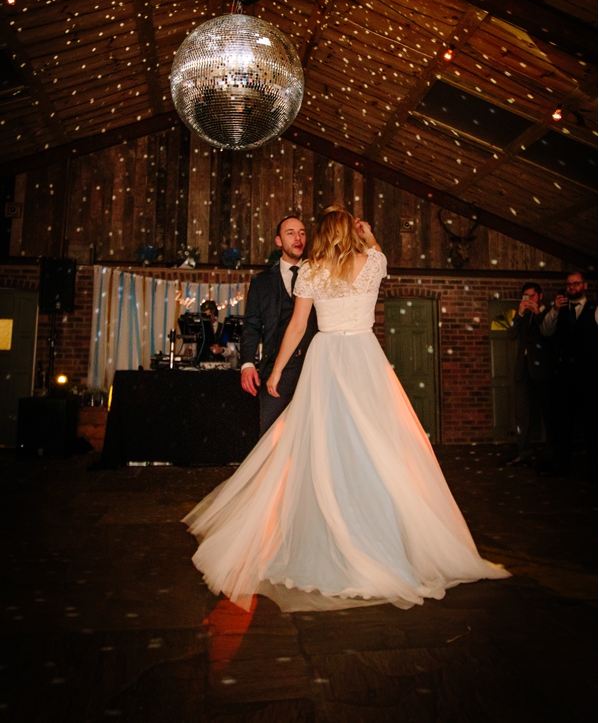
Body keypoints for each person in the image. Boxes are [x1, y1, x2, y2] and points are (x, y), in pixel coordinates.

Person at [186, 206, 508, 610]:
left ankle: (326, 529)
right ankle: (379, 534)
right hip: (364, 357)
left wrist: (278, 370)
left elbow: (298, 327)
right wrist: (369, 234)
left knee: (324, 445)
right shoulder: (373, 261)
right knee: (376, 445)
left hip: (327, 360)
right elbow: (376, 251)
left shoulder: (313, 271)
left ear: (321, 234)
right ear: (353, 231)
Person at [239, 215, 318, 435]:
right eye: (290, 233)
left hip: (314, 366)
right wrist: (247, 363)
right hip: (277, 370)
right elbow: (252, 325)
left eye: (302, 232)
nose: (298, 238)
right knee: (273, 438)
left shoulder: (319, 275)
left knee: (312, 437)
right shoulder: (261, 282)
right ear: (278, 241)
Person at [540, 269, 595, 477]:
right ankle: (560, 465)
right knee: (562, 421)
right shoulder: (559, 309)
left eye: (576, 284)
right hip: (564, 371)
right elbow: (546, 331)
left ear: (585, 286)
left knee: (591, 421)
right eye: (569, 284)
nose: (572, 287)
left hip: (588, 372)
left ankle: (593, 469)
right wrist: (554, 309)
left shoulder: (594, 309)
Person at [506, 281, 553, 466]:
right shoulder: (522, 315)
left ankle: (550, 454)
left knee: (548, 414)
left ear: (540, 296)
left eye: (532, 296)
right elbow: (511, 335)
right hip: (523, 370)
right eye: (526, 296)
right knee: (522, 414)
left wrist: (538, 313)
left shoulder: (549, 313)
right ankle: (524, 452)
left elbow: (550, 334)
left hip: (542, 370)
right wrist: (519, 313)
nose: (529, 300)